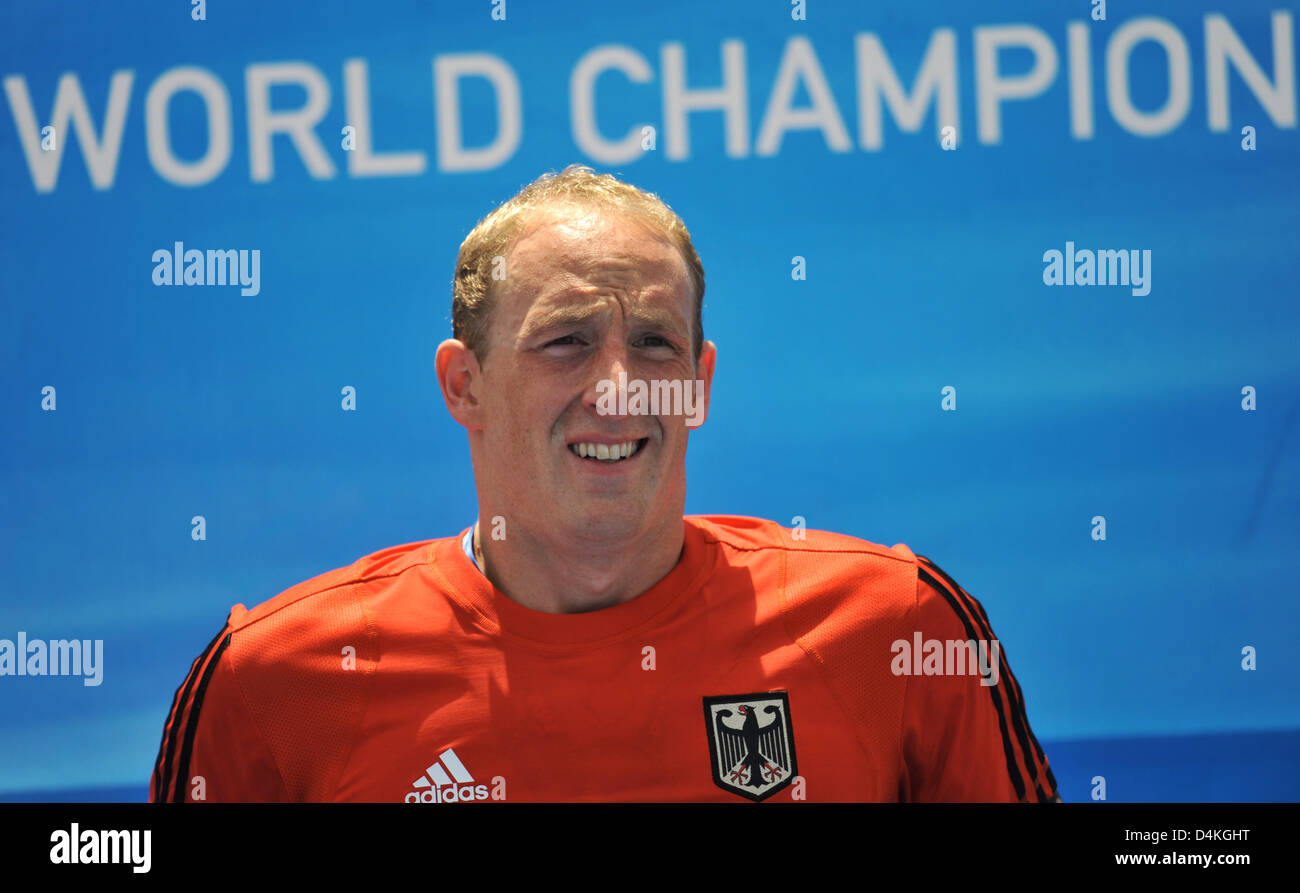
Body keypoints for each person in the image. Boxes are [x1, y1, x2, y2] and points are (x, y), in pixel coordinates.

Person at [149, 164, 1059, 803]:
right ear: (464, 385)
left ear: (698, 385)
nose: (619, 386)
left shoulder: (891, 629)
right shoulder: (279, 683)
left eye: (655, 343)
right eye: (567, 341)